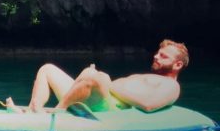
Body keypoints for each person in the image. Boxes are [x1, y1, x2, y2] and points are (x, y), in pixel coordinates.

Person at [11, 39, 189, 113]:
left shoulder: (171, 86)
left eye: (163, 56)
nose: (156, 56)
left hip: (113, 109)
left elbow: (149, 105)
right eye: (158, 53)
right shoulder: (147, 76)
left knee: (98, 76)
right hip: (99, 98)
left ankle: (58, 112)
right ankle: (34, 108)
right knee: (48, 68)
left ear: (178, 64)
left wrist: (106, 83)